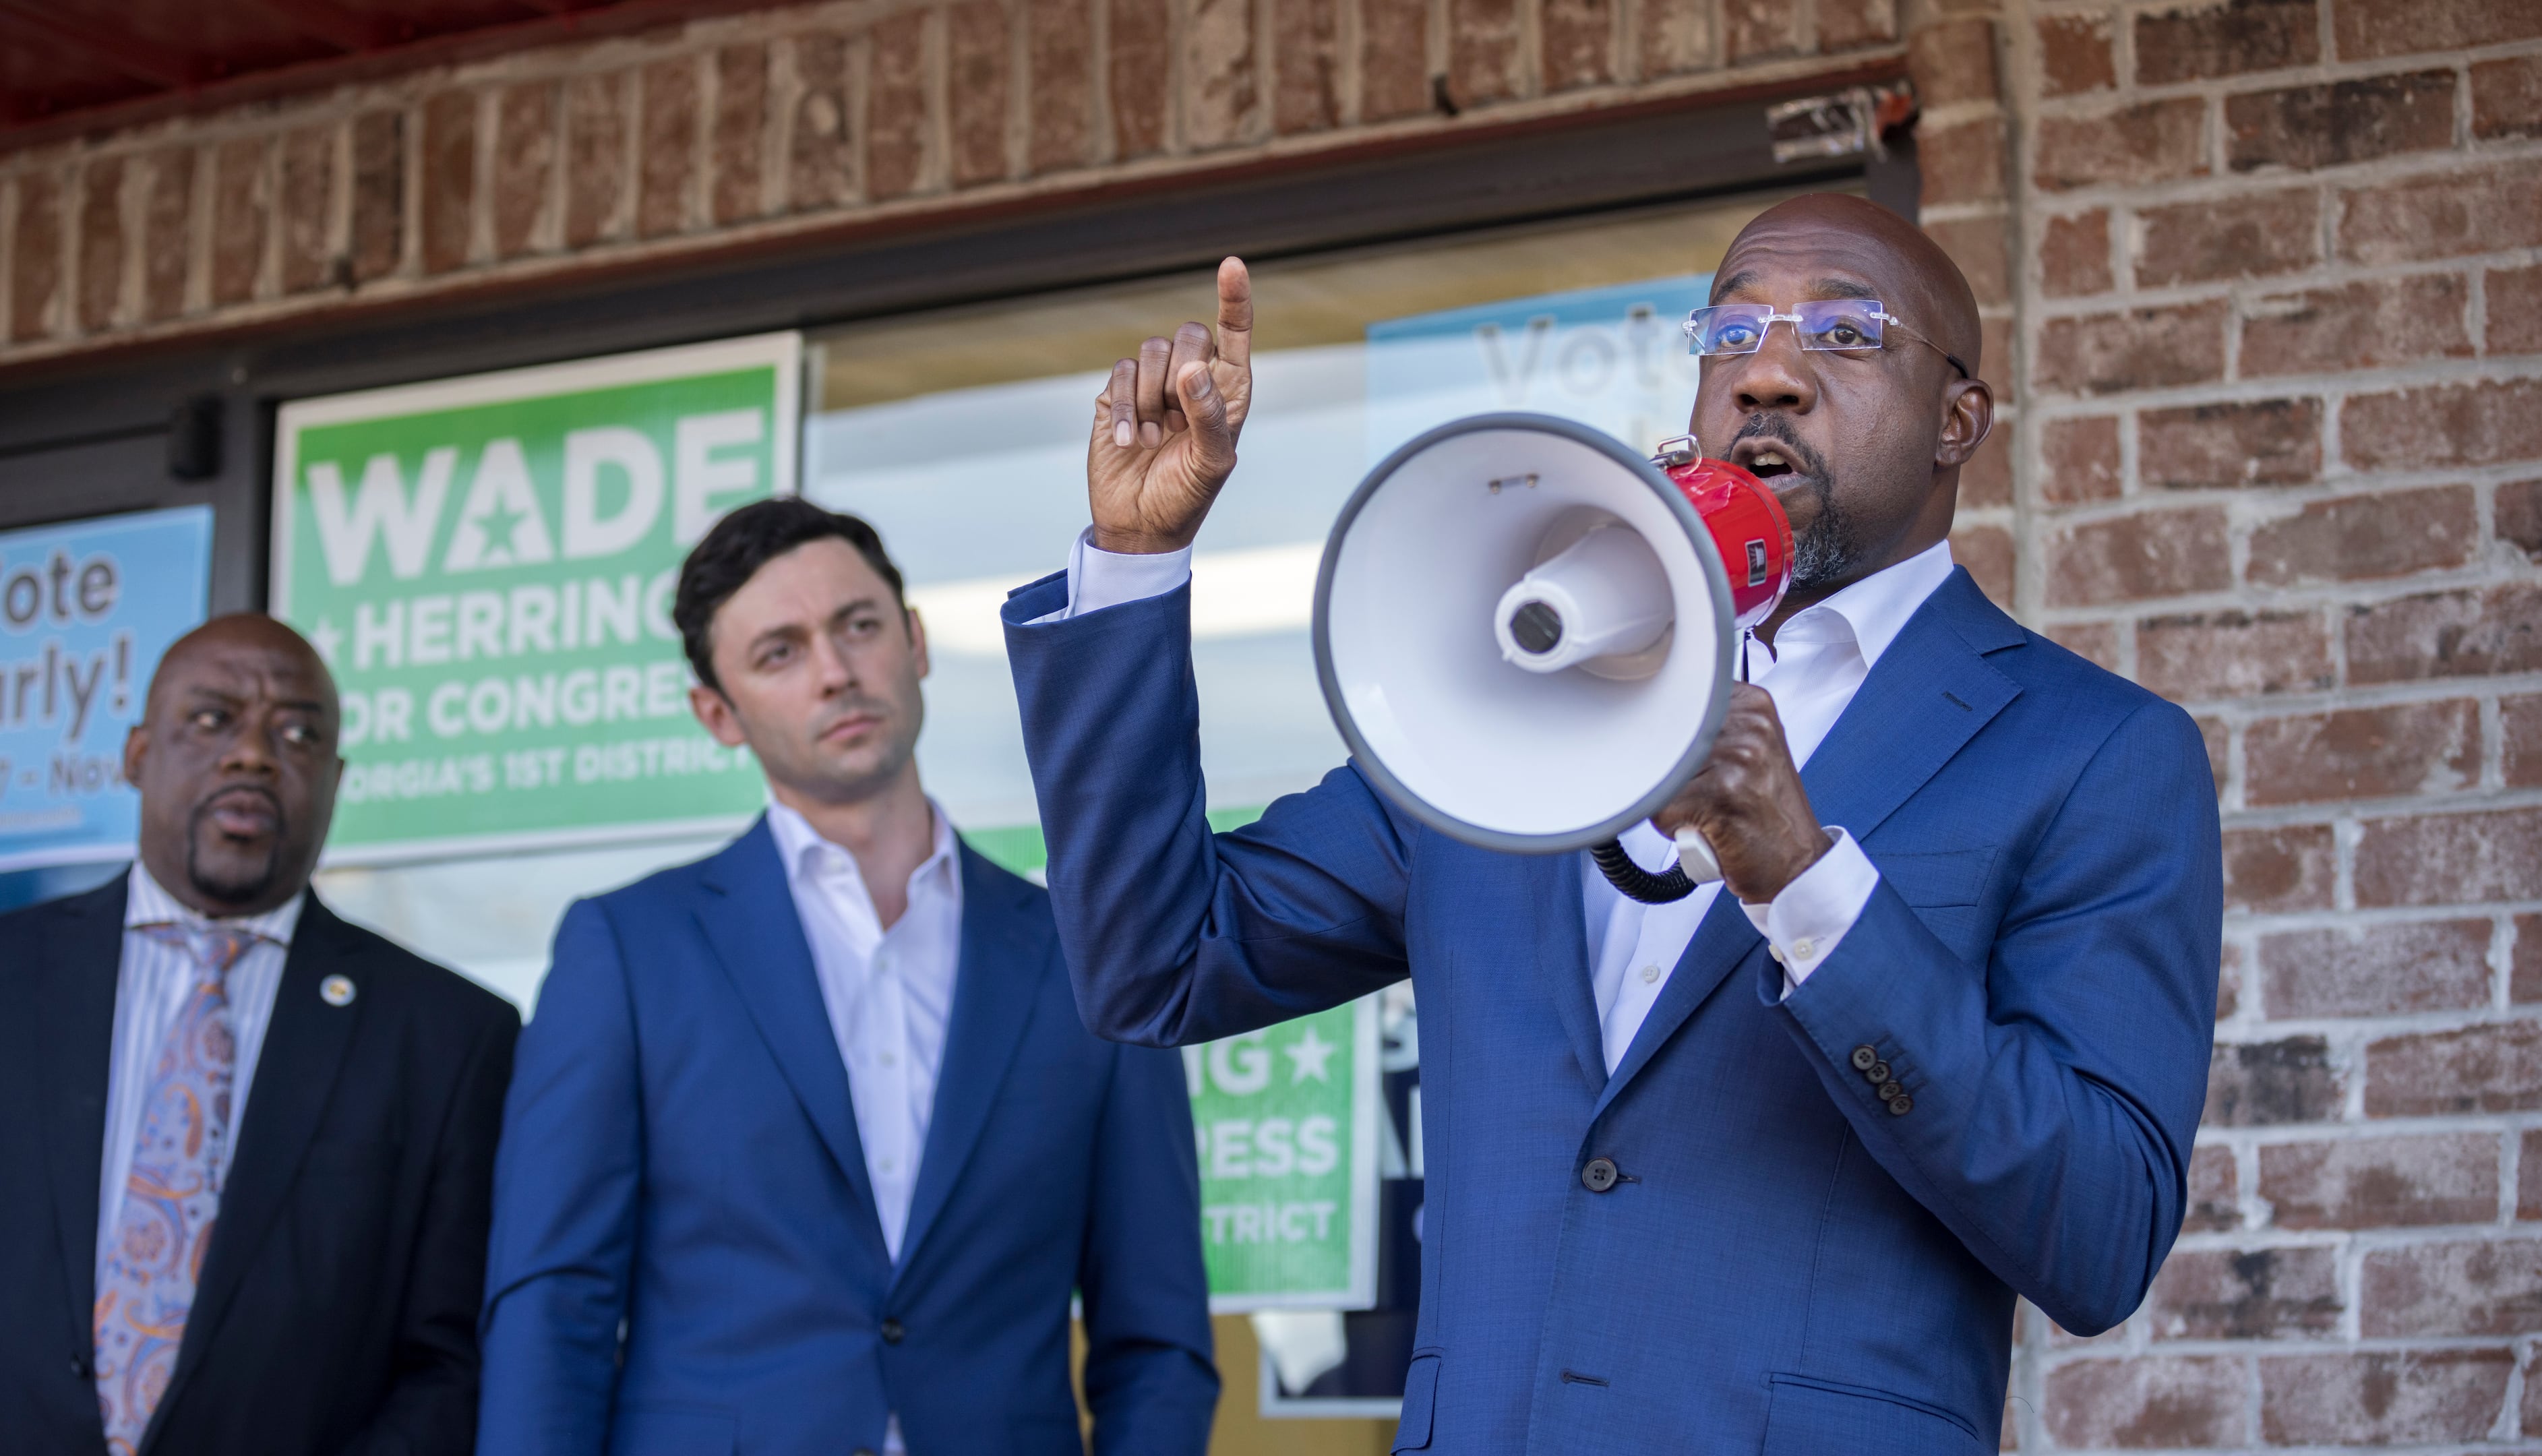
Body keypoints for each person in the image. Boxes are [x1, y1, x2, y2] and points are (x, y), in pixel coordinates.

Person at [999, 193, 2222, 1453]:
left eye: (1848, 336)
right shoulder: (1510, 707)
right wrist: (1135, 558)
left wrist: (1806, 889)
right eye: (1731, 334)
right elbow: (1160, 962)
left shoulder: (2090, 755)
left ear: (1960, 421)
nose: (1772, 376)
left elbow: (2099, 1234)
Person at [478, 499, 1218, 1456]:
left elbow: (1156, 1340)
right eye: (779, 653)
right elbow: (553, 1304)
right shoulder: (626, 951)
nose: (835, 672)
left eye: (858, 627)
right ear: (718, 714)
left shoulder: (1086, 955)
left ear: (914, 642)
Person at [0, 614, 519, 1456]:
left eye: (298, 733)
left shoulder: (449, 1038)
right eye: (212, 720)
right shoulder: (13, 977)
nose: (253, 754)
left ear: (336, 778)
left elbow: (449, 1362)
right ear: (135, 755)